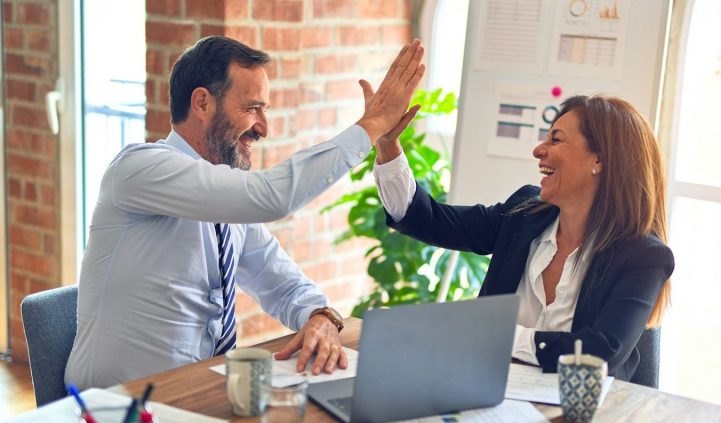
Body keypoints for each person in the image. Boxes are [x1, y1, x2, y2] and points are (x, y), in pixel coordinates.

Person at [65, 36, 424, 388]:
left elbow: (280, 281)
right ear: (202, 103)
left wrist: (320, 315)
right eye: (253, 108)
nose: (263, 128)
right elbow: (272, 197)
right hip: (115, 411)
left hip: (197, 395)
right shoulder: (140, 169)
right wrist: (372, 125)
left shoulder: (225, 202)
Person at [372, 94, 674, 381]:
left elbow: (599, 353)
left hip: (584, 418)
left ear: (600, 160)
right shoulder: (523, 215)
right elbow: (428, 220)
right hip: (490, 394)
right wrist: (388, 144)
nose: (539, 150)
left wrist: (498, 335)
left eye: (556, 139)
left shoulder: (644, 257)